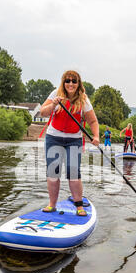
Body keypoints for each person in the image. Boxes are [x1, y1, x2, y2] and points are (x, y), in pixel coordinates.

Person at [40, 70, 99, 216]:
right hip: (54, 137)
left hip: (74, 139)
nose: (70, 83)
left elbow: (92, 121)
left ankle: (79, 206)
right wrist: (53, 104)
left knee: (73, 173)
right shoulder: (55, 94)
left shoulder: (84, 100)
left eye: (74, 81)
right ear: (63, 82)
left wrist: (96, 136)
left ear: (78, 84)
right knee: (53, 173)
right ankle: (52, 205)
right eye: (67, 80)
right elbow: (43, 112)